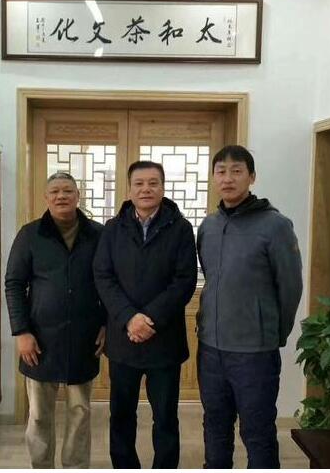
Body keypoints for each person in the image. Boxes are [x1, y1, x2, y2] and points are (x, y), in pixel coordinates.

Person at [196, 145, 303, 469]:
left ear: (252, 177)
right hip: (211, 349)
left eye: (237, 171)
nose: (228, 178)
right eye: (221, 171)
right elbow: (212, 279)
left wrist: (271, 333)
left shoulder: (275, 225)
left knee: (257, 433)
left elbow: (290, 288)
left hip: (254, 352)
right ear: (214, 177)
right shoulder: (208, 226)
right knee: (215, 427)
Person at [93, 160, 197, 469]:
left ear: (163, 188)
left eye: (153, 183)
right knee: (121, 415)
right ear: (129, 189)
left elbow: (184, 281)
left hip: (164, 340)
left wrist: (149, 319)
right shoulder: (113, 229)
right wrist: (130, 317)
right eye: (139, 183)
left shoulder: (180, 228)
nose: (146, 189)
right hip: (123, 339)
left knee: (165, 417)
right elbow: (103, 276)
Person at [5, 172, 106, 469]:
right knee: (39, 415)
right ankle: (41, 466)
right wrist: (21, 331)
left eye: (67, 191)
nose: (61, 196)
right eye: (55, 191)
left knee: (80, 412)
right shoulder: (30, 234)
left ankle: (75, 466)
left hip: (84, 337)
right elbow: (14, 284)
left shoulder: (98, 234)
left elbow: (109, 283)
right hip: (39, 339)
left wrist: (106, 323)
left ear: (78, 196)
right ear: (46, 197)